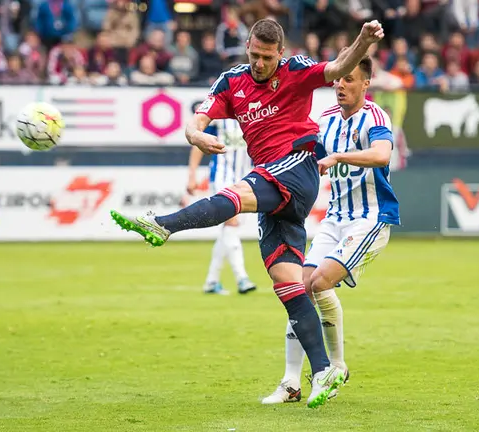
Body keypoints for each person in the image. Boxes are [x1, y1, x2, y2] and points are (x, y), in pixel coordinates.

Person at [110, 18, 385, 408]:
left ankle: (163, 225)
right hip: (274, 188)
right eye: (254, 55)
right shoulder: (231, 81)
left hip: (296, 167)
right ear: (248, 48)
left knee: (237, 192)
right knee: (287, 282)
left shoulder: (296, 71)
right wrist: (195, 134)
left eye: (266, 58)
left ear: (280, 54)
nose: (259, 63)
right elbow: (198, 117)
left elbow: (339, 69)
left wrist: (362, 40)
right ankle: (324, 370)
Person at [262, 56, 400, 404]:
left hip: (369, 219)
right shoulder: (324, 120)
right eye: (338, 79)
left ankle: (335, 366)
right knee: (298, 288)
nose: (340, 84)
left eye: (349, 80)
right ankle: (291, 382)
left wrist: (338, 158)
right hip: (334, 218)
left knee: (320, 281)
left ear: (365, 84)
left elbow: (382, 155)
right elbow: (306, 151)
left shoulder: (376, 117)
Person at [186, 117, 256, 295]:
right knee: (231, 223)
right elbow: (198, 143)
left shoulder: (252, 114)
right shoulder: (218, 118)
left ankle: (211, 281)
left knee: (228, 230)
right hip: (222, 176)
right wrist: (192, 175)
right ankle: (242, 278)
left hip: (246, 178)